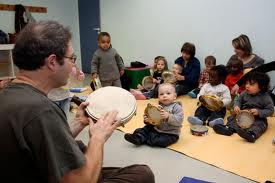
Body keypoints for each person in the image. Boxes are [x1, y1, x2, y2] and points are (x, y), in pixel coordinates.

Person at [0, 20, 154, 183]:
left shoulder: (9, 94)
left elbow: (43, 143)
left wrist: (79, 122)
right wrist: (98, 138)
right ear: (52, 62)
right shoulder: (41, 111)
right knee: (143, 174)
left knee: (79, 148)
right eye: (72, 58)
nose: (74, 64)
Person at [213, 72, 274, 143]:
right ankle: (229, 129)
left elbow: (270, 110)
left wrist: (259, 112)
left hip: (257, 118)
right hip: (242, 115)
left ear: (262, 86)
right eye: (247, 83)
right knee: (233, 119)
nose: (247, 86)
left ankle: (251, 134)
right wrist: (237, 106)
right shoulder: (244, 93)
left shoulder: (265, 97)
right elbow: (238, 101)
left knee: (259, 125)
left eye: (251, 84)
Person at [125, 83, 183, 147]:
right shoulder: (158, 106)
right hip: (156, 128)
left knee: (162, 141)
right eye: (161, 94)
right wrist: (147, 120)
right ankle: (138, 137)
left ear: (175, 96)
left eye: (168, 93)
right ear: (158, 96)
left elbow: (179, 121)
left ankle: (144, 138)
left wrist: (168, 116)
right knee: (145, 129)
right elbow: (153, 120)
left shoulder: (177, 107)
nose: (164, 96)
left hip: (170, 133)